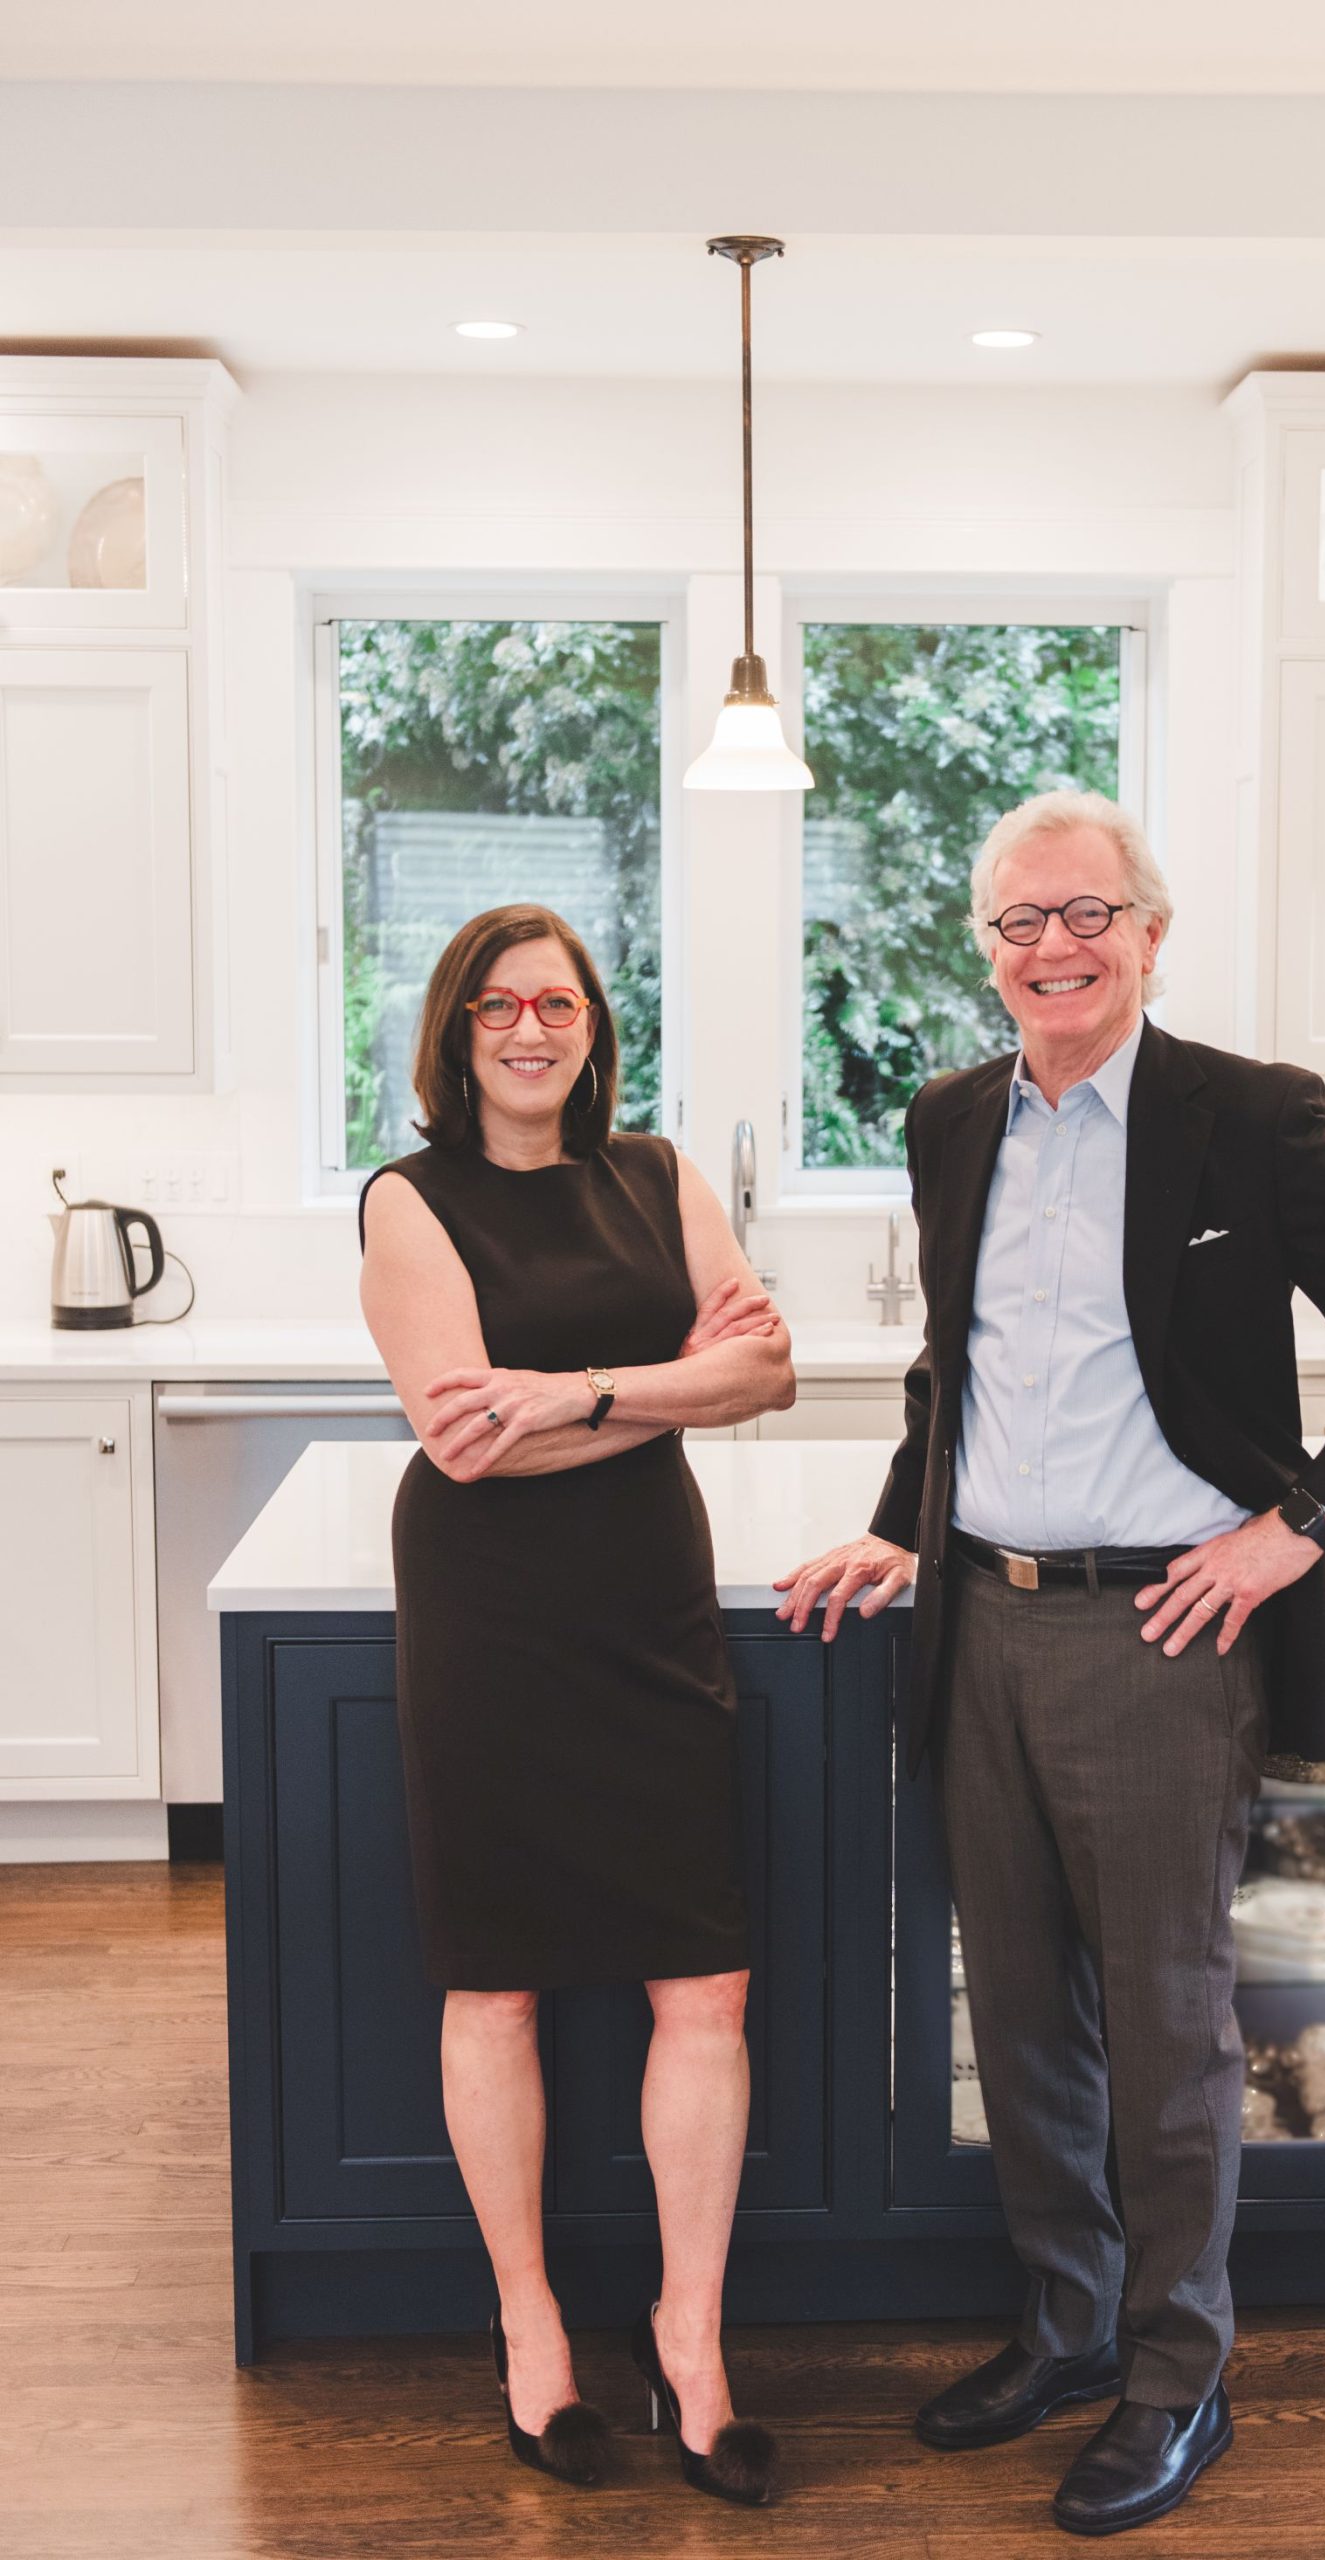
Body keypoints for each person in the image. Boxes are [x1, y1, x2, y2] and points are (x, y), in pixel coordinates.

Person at [775, 791, 1325, 2537]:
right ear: (987, 950)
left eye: (1087, 914)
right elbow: (952, 1366)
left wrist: (1299, 1524)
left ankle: (1180, 2375)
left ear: (1149, 935)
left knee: (1169, 2027)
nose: (1054, 947)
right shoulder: (951, 1119)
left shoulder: (1244, 1119)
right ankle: (1069, 2326)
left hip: (1161, 1636)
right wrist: (897, 1522)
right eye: (1020, 922)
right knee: (1021, 2011)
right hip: (976, 1620)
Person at [358, 901, 792, 2508]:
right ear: (455, 1033)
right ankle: (529, 2328)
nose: (529, 1030)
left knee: (706, 1984)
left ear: (594, 1026)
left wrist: (578, 1391)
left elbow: (769, 1372)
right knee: (498, 1986)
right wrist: (672, 1388)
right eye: (496, 1006)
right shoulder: (410, 1199)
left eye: (556, 1003)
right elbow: (466, 1441)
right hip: (491, 1613)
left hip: (645, 1601)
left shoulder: (659, 1175)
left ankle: (691, 2337)